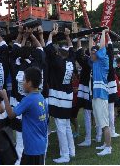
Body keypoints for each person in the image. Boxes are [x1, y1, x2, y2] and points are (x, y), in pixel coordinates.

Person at [0, 66, 48, 165]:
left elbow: (11, 114)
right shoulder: (41, 97)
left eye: (24, 80)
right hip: (40, 145)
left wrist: (5, 97)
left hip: (32, 148)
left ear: (29, 84)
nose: (22, 83)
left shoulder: (28, 100)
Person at [9, 26, 44, 164]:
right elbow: (40, 50)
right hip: (33, 107)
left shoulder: (14, 66)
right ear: (30, 55)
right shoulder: (34, 67)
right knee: (34, 137)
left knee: (20, 139)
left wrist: (22, 37)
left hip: (19, 107)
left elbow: (14, 52)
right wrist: (33, 36)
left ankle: (18, 162)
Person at [45, 27, 75, 163]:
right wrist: (67, 36)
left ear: (59, 53)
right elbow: (73, 50)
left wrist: (51, 34)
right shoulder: (71, 61)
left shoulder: (58, 62)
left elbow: (49, 49)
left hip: (59, 98)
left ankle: (65, 155)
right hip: (68, 98)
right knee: (67, 125)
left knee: (61, 127)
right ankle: (71, 150)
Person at [88, 28, 111, 155]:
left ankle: (108, 147)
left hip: (101, 96)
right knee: (100, 122)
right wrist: (91, 38)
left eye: (93, 53)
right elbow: (94, 49)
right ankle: (105, 144)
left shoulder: (103, 62)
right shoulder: (94, 63)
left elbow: (101, 48)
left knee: (105, 123)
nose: (91, 55)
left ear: (98, 54)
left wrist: (102, 33)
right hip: (96, 96)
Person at [75, 39, 93, 147]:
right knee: (96, 113)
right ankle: (99, 136)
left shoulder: (87, 63)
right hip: (95, 90)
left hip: (87, 91)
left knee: (87, 114)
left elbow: (79, 56)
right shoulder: (98, 61)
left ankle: (88, 139)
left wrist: (79, 42)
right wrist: (90, 38)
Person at [70, 69, 80, 138]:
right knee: (70, 117)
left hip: (76, 103)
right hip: (71, 102)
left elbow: (78, 91)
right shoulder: (70, 82)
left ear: (76, 75)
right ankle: (77, 125)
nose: (71, 75)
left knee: (74, 117)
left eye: (73, 74)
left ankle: (76, 132)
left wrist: (74, 91)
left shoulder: (78, 82)